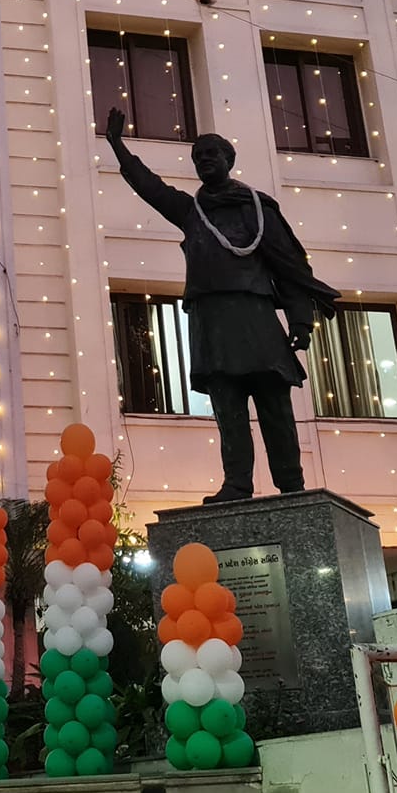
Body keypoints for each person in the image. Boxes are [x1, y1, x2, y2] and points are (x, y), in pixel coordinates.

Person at [104, 108, 340, 503]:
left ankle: (291, 486)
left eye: (212, 153)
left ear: (229, 160)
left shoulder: (257, 208)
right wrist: (117, 145)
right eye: (198, 156)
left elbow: (290, 267)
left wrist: (300, 321)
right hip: (211, 322)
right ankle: (237, 484)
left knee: (274, 406)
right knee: (227, 409)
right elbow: (150, 187)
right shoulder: (191, 212)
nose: (204, 160)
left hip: (255, 318)